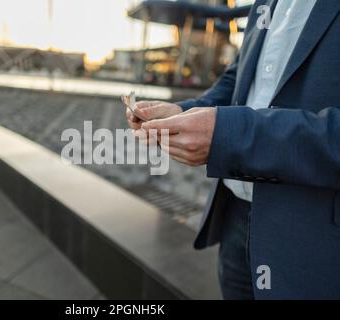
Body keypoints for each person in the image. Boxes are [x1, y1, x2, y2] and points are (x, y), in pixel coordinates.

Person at [126, 0, 340, 299]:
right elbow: (236, 78)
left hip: (314, 236)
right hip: (235, 217)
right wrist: (181, 110)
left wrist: (233, 134)